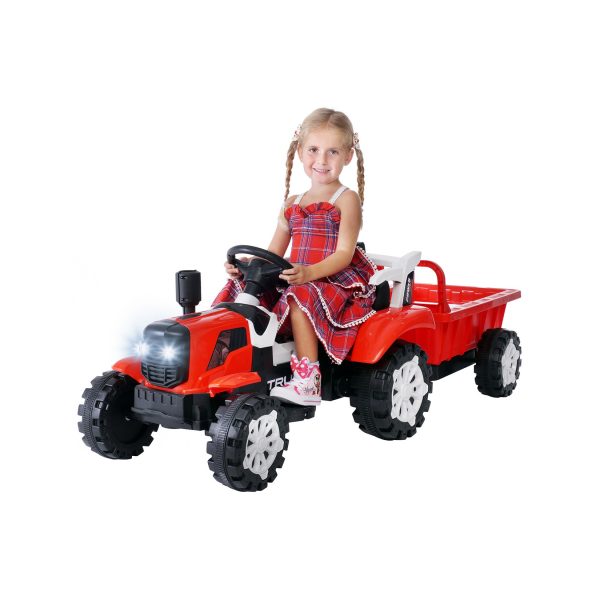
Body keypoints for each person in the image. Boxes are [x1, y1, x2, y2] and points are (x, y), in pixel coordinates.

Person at [211, 108, 378, 406]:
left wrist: (309, 273)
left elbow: (344, 254)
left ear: (348, 156)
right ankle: (223, 358)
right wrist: (246, 267)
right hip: (296, 276)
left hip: (333, 282)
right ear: (300, 151)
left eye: (333, 152)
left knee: (299, 295)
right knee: (239, 289)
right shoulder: (292, 203)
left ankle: (308, 381)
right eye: (313, 150)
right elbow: (273, 253)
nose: (322, 160)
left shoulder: (346, 199)